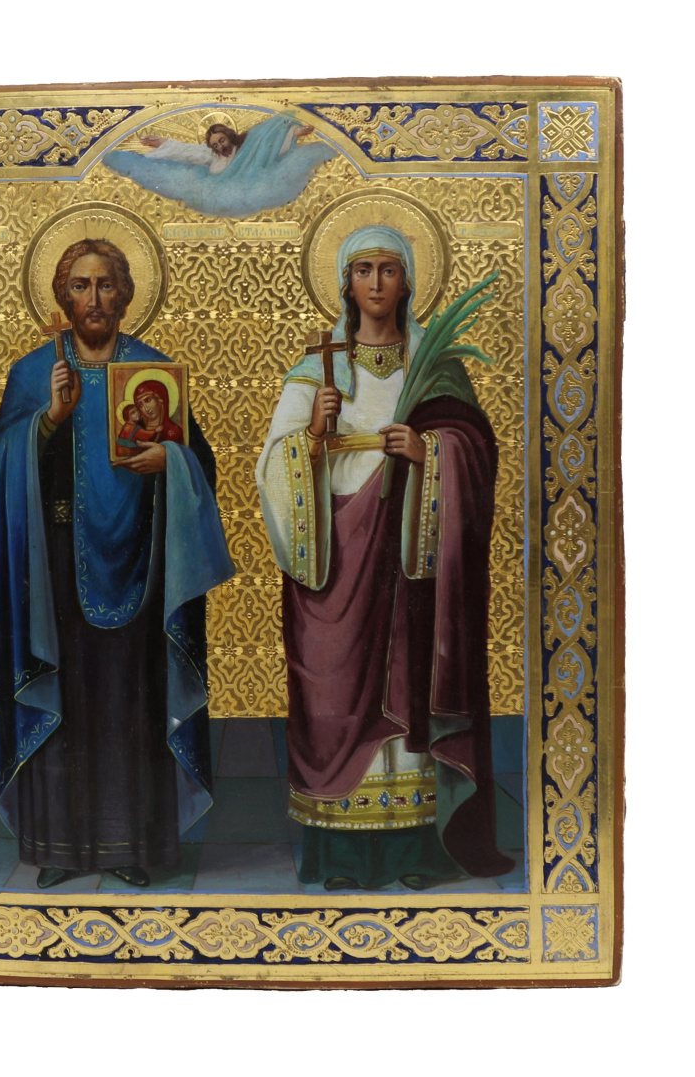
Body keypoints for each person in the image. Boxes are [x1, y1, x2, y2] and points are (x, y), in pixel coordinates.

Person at [256, 225, 514, 891]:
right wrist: (314, 434)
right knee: (334, 697)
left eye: (388, 270)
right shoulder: (317, 367)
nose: (375, 283)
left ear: (407, 282)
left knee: (411, 692)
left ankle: (417, 852)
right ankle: (344, 858)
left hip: (409, 556)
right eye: (363, 270)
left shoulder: (433, 364)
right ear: (345, 282)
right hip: (334, 560)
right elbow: (273, 463)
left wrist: (433, 453)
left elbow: (476, 450)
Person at [0, 238, 233, 889]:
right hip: (56, 568)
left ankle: (130, 846)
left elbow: (202, 465)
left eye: (106, 285)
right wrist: (45, 422)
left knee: (128, 703)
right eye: (81, 286)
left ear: (126, 294)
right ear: (63, 296)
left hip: (142, 566)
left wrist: (170, 460)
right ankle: (60, 848)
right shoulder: (35, 372)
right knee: (69, 700)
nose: (94, 299)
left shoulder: (153, 369)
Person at [102, 112, 336, 218]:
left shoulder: (247, 148)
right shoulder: (212, 156)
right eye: (215, 144)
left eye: (221, 140)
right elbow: (188, 152)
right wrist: (164, 142)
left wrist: (294, 133)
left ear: (229, 136)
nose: (219, 146)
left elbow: (271, 146)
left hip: (247, 192)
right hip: (220, 195)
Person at [115, 380, 184, 457]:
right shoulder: (138, 427)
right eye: (140, 405)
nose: (146, 409)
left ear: (160, 399)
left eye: (148, 400)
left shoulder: (173, 431)